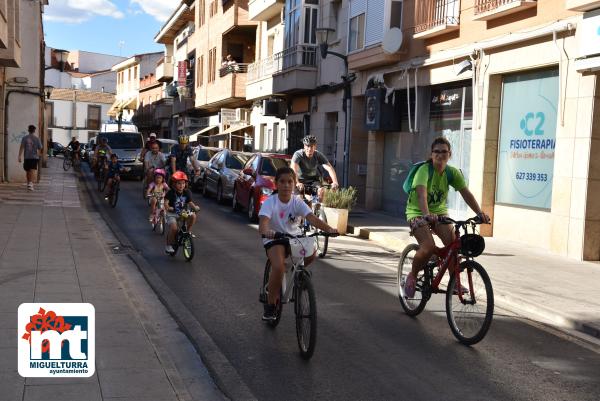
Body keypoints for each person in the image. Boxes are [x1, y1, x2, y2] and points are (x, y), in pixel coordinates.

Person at [403, 136, 490, 298]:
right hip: (417, 212)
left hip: (440, 213)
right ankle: (412, 275)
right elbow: (421, 195)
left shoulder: (451, 173)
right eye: (436, 151)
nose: (440, 155)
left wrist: (479, 213)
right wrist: (427, 215)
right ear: (431, 154)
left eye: (444, 152)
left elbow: (466, 194)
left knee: (453, 245)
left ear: (450, 154)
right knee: (428, 246)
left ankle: (454, 282)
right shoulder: (424, 170)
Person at [258, 166, 338, 321]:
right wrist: (267, 230)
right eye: (282, 181)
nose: (286, 185)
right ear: (276, 184)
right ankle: (270, 305)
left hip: (294, 238)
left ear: (294, 184)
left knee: (312, 252)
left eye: (290, 182)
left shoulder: (297, 202)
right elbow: (263, 224)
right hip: (275, 239)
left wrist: (329, 229)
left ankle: (298, 277)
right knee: (278, 266)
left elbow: (312, 218)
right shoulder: (270, 202)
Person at [291, 135, 339, 202]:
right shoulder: (298, 154)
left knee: (321, 191)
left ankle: (318, 209)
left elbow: (329, 168)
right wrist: (297, 182)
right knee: (299, 198)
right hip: (300, 181)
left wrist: (335, 182)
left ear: (315, 147)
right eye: (308, 146)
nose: (310, 149)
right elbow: (293, 169)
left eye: (312, 146)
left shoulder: (318, 155)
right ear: (304, 146)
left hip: (313, 181)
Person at [164, 171, 200, 254]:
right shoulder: (171, 192)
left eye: (183, 183)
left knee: (193, 216)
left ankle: (187, 233)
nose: (181, 185)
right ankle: (169, 245)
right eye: (179, 183)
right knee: (174, 228)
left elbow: (190, 202)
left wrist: (195, 207)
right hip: (172, 214)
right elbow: (166, 202)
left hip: (183, 212)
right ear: (174, 184)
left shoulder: (187, 192)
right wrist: (168, 208)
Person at [18, 125, 43, 191]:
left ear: (28, 130)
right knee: (32, 170)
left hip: (27, 157)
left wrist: (19, 156)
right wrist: (39, 154)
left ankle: (29, 183)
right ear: (34, 130)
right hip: (34, 157)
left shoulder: (24, 138)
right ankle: (30, 183)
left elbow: (21, 147)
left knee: (28, 170)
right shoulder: (37, 139)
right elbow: (40, 148)